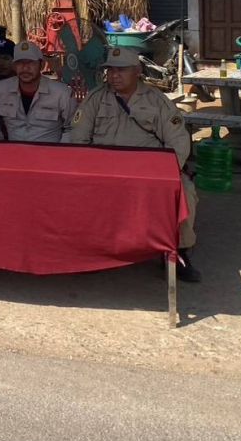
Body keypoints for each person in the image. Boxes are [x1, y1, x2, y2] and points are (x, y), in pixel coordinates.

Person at [67, 46, 201, 282]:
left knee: (184, 191)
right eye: (110, 70)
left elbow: (179, 142)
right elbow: (79, 138)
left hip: (147, 171)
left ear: (137, 71)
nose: (114, 76)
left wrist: (166, 173)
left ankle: (178, 252)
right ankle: (90, 250)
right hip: (104, 169)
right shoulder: (96, 99)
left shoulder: (157, 101)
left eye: (121, 70)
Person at [0, 41, 77, 142]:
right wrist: (0, 146)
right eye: (20, 63)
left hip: (48, 151)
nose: (25, 68)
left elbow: (72, 128)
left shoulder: (61, 93)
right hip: (12, 150)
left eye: (31, 62)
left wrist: (60, 150)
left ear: (41, 65)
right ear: (14, 66)